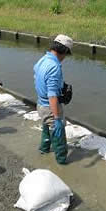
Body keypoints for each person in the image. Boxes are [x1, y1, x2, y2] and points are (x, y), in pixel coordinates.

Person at [33, 34, 73, 165]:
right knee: (58, 134)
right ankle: (62, 162)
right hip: (50, 107)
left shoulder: (43, 60)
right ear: (64, 51)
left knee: (46, 126)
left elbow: (37, 79)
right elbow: (52, 95)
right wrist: (57, 118)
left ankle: (44, 149)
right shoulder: (54, 67)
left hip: (40, 104)